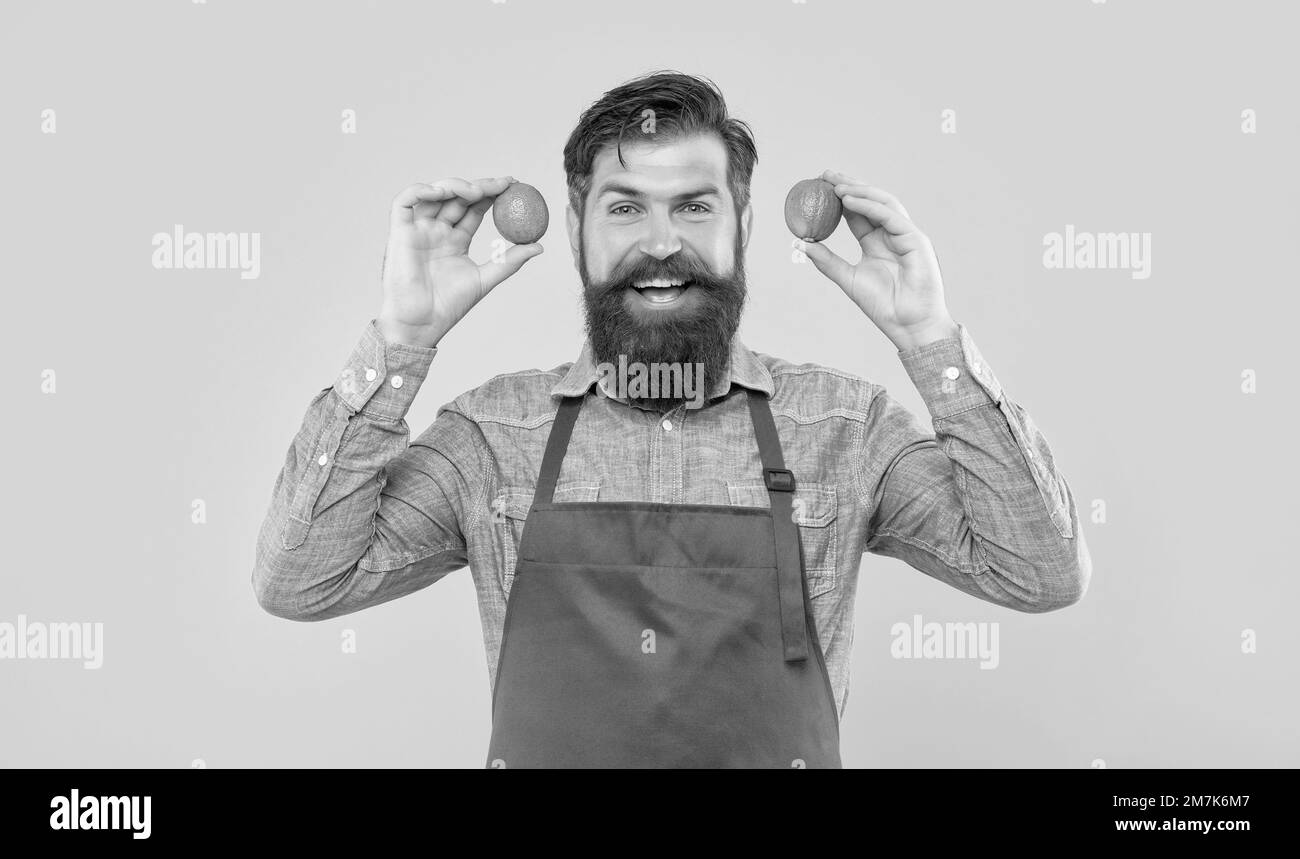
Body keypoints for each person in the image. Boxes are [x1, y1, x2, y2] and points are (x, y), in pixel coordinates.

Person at [252, 70, 1091, 768]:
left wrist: (928, 340)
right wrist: (401, 343)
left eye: (694, 206)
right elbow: (301, 581)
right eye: (625, 208)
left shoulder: (846, 425)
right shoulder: (489, 435)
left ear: (744, 227)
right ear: (577, 230)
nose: (660, 243)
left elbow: (1039, 572)